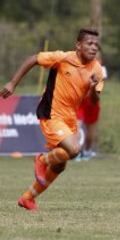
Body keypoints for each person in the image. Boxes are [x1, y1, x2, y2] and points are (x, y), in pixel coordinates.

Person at [0, 28, 104, 211]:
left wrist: (94, 89)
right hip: (51, 113)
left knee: (61, 164)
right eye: (89, 43)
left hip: (70, 117)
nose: (94, 47)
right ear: (78, 45)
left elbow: (94, 101)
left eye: (96, 44)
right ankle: (42, 159)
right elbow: (33, 59)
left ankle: (28, 198)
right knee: (73, 149)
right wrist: (13, 83)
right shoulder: (62, 58)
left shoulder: (96, 69)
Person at [76, 65, 107, 161]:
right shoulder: (77, 66)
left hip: (92, 103)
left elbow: (97, 95)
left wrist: (93, 88)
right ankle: (76, 152)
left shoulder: (101, 71)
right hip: (79, 101)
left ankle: (87, 151)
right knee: (76, 126)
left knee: (91, 132)